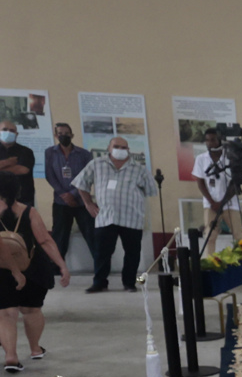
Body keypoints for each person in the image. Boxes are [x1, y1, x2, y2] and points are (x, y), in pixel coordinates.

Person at [0, 172, 73, 371]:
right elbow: (45, 241)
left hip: (2, 270)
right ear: (18, 190)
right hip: (32, 268)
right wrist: (62, 265)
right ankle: (35, 349)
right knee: (32, 310)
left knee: (6, 313)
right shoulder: (29, 212)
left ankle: (11, 356)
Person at [72, 138, 157, 292]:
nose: (120, 150)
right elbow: (81, 183)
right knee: (102, 252)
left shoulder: (139, 169)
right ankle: (99, 283)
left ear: (128, 150)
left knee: (132, 252)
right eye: (116, 146)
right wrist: (88, 203)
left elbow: (150, 190)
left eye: (124, 147)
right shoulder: (96, 164)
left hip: (132, 217)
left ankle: (129, 283)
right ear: (109, 148)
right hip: (106, 216)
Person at [44, 122, 96, 264]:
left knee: (91, 234)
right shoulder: (50, 153)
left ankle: (101, 266)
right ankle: (56, 268)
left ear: (72, 135)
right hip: (60, 202)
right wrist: (64, 195)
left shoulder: (84, 154)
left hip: (82, 201)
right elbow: (49, 175)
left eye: (67, 134)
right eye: (60, 134)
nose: (64, 136)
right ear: (56, 136)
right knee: (59, 236)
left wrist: (73, 194)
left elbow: (88, 177)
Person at [192, 131, 241, 257]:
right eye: (207, 140)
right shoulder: (201, 158)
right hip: (211, 204)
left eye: (213, 140)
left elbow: (235, 183)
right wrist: (212, 202)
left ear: (219, 140)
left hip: (230, 203)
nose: (210, 143)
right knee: (210, 235)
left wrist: (222, 203)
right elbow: (200, 182)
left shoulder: (230, 157)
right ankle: (210, 262)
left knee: (238, 234)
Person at [0, 122, 34, 208]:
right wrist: (8, 162)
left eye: (12, 130)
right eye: (4, 129)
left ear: (17, 134)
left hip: (22, 198)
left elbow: (22, 170)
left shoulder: (26, 151)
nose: (8, 132)